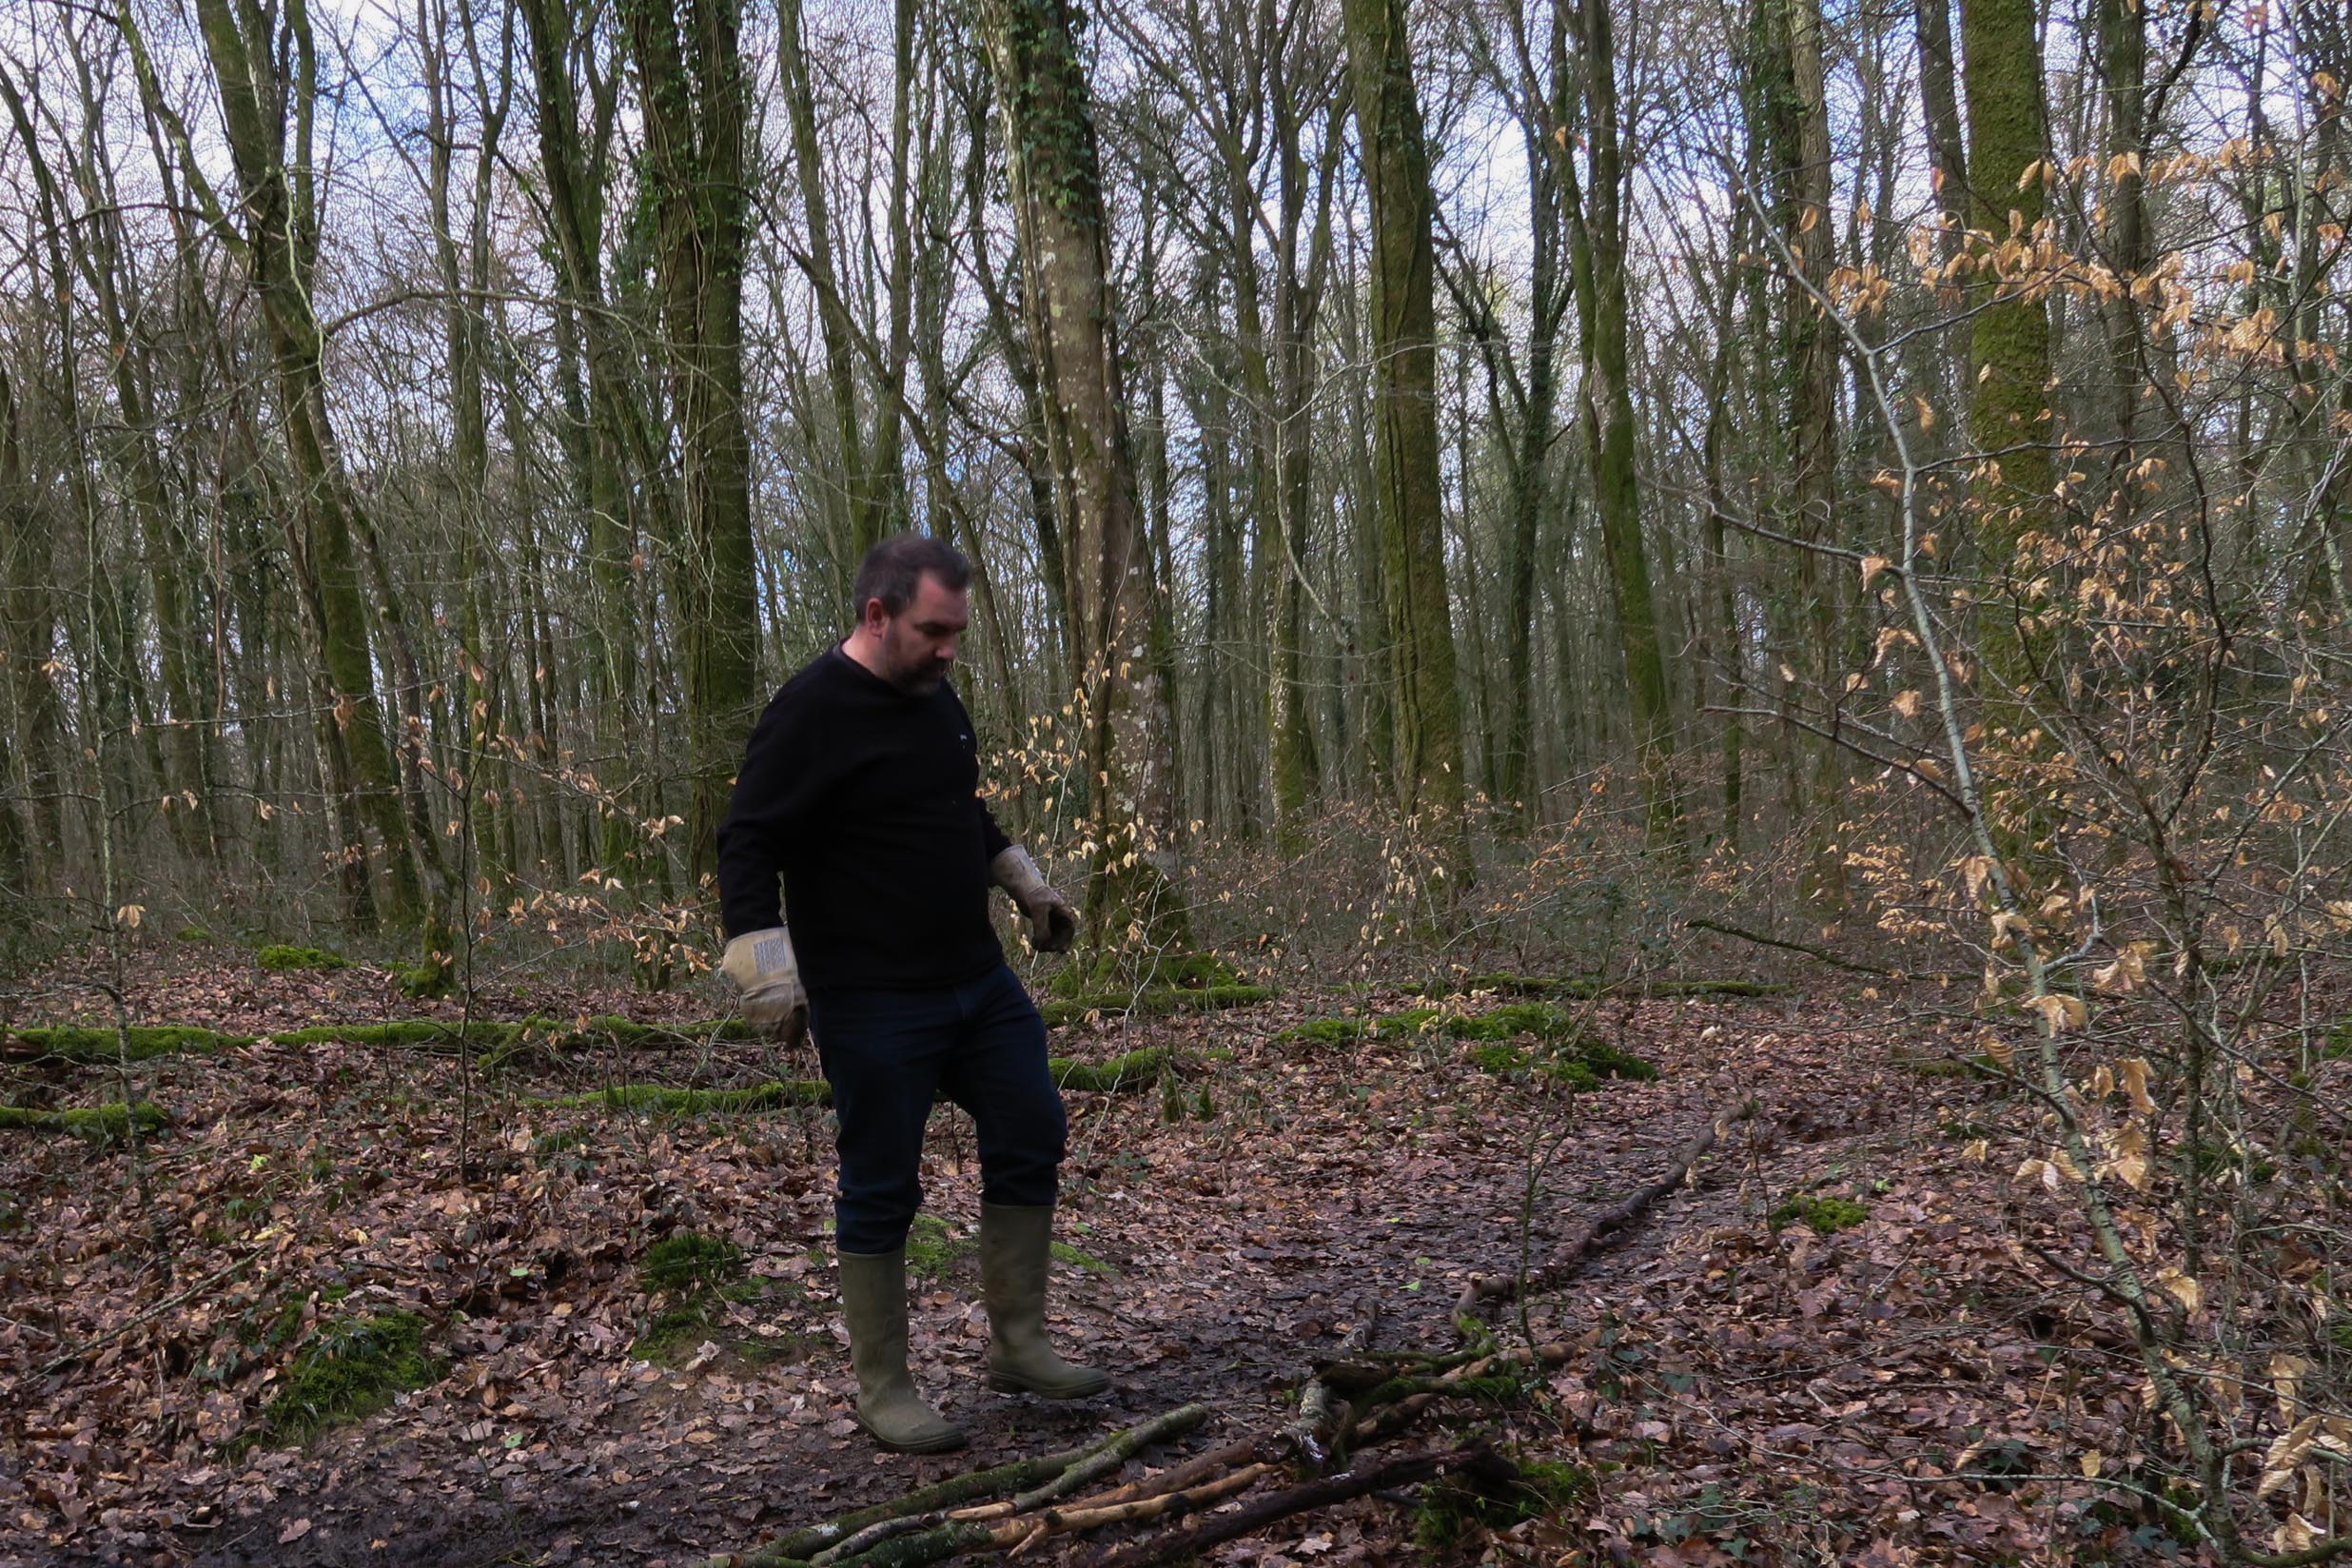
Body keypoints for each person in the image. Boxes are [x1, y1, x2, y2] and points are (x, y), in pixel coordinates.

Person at [714, 533, 1103, 1453]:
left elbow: (960, 806)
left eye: (957, 632)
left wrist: (1024, 882)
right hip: (872, 997)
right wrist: (766, 969)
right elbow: (745, 842)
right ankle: (883, 1387)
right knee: (882, 1185)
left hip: (976, 982)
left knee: (1032, 1127)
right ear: (877, 614)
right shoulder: (807, 713)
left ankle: (1019, 1346)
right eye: (934, 630)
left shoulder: (935, 695)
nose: (948, 649)